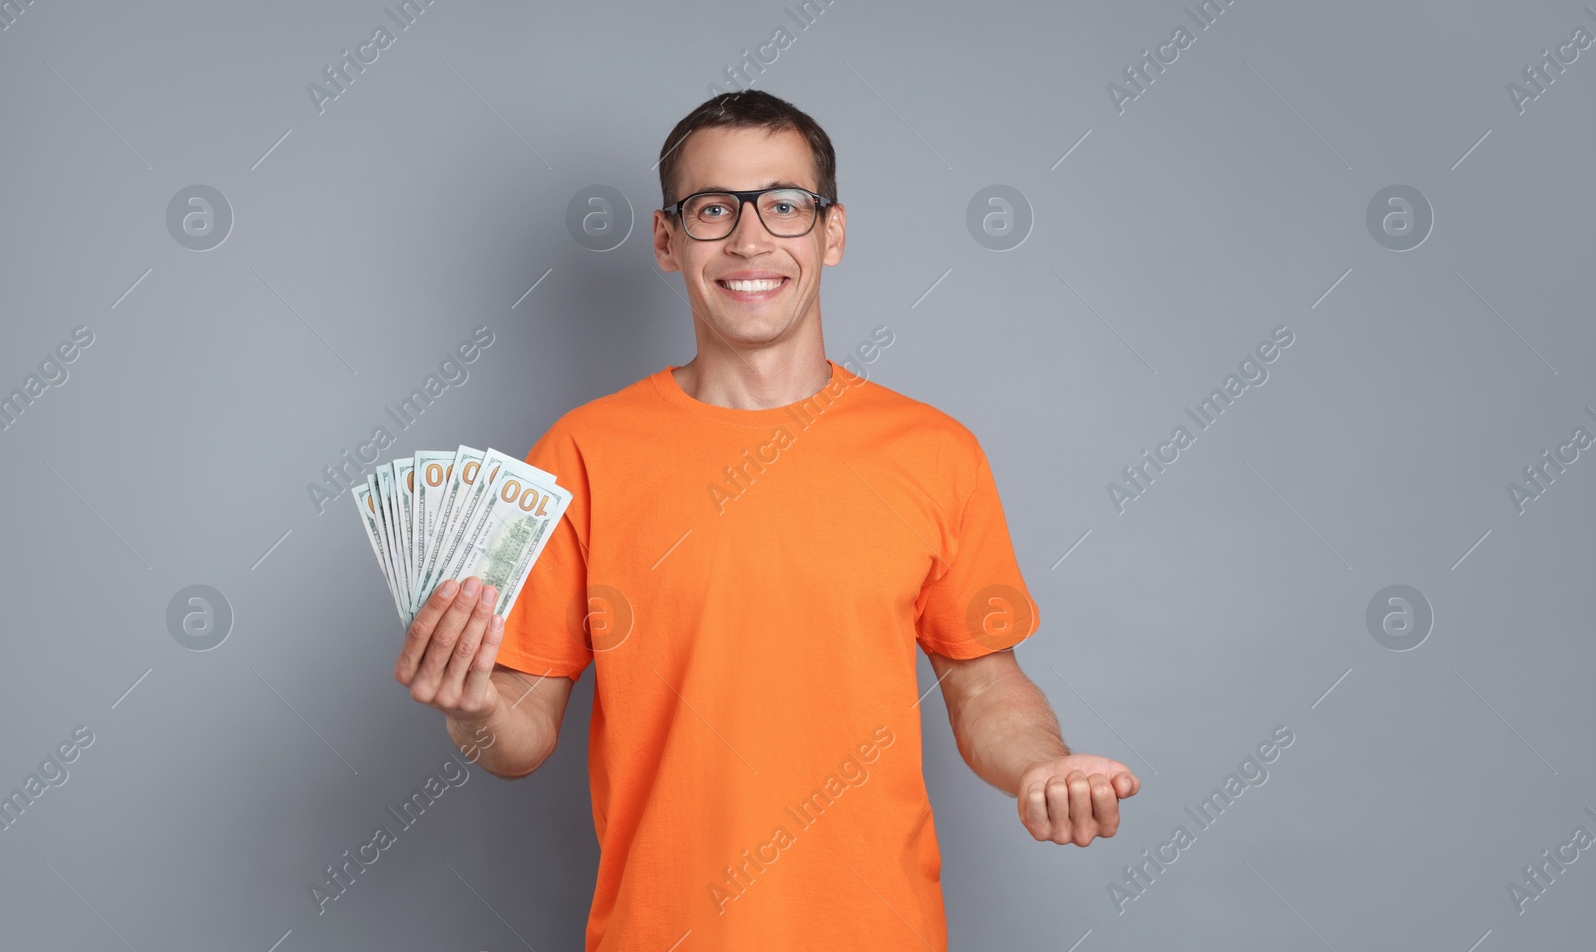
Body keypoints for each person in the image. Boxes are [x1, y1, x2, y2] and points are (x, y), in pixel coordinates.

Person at [393, 89, 1138, 950]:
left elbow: (986, 687)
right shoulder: (580, 453)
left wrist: (1043, 763)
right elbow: (520, 735)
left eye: (785, 205)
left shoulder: (934, 451)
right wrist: (474, 708)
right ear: (668, 241)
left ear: (832, 232)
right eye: (714, 209)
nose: (751, 241)